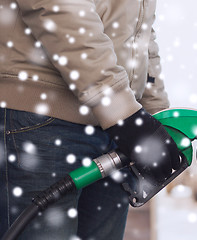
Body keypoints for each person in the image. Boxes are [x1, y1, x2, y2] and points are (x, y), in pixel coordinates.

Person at [0, 0, 181, 239]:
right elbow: (58, 6)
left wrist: (153, 111)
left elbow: (139, 26)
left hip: (114, 123)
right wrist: (120, 109)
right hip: (46, 118)